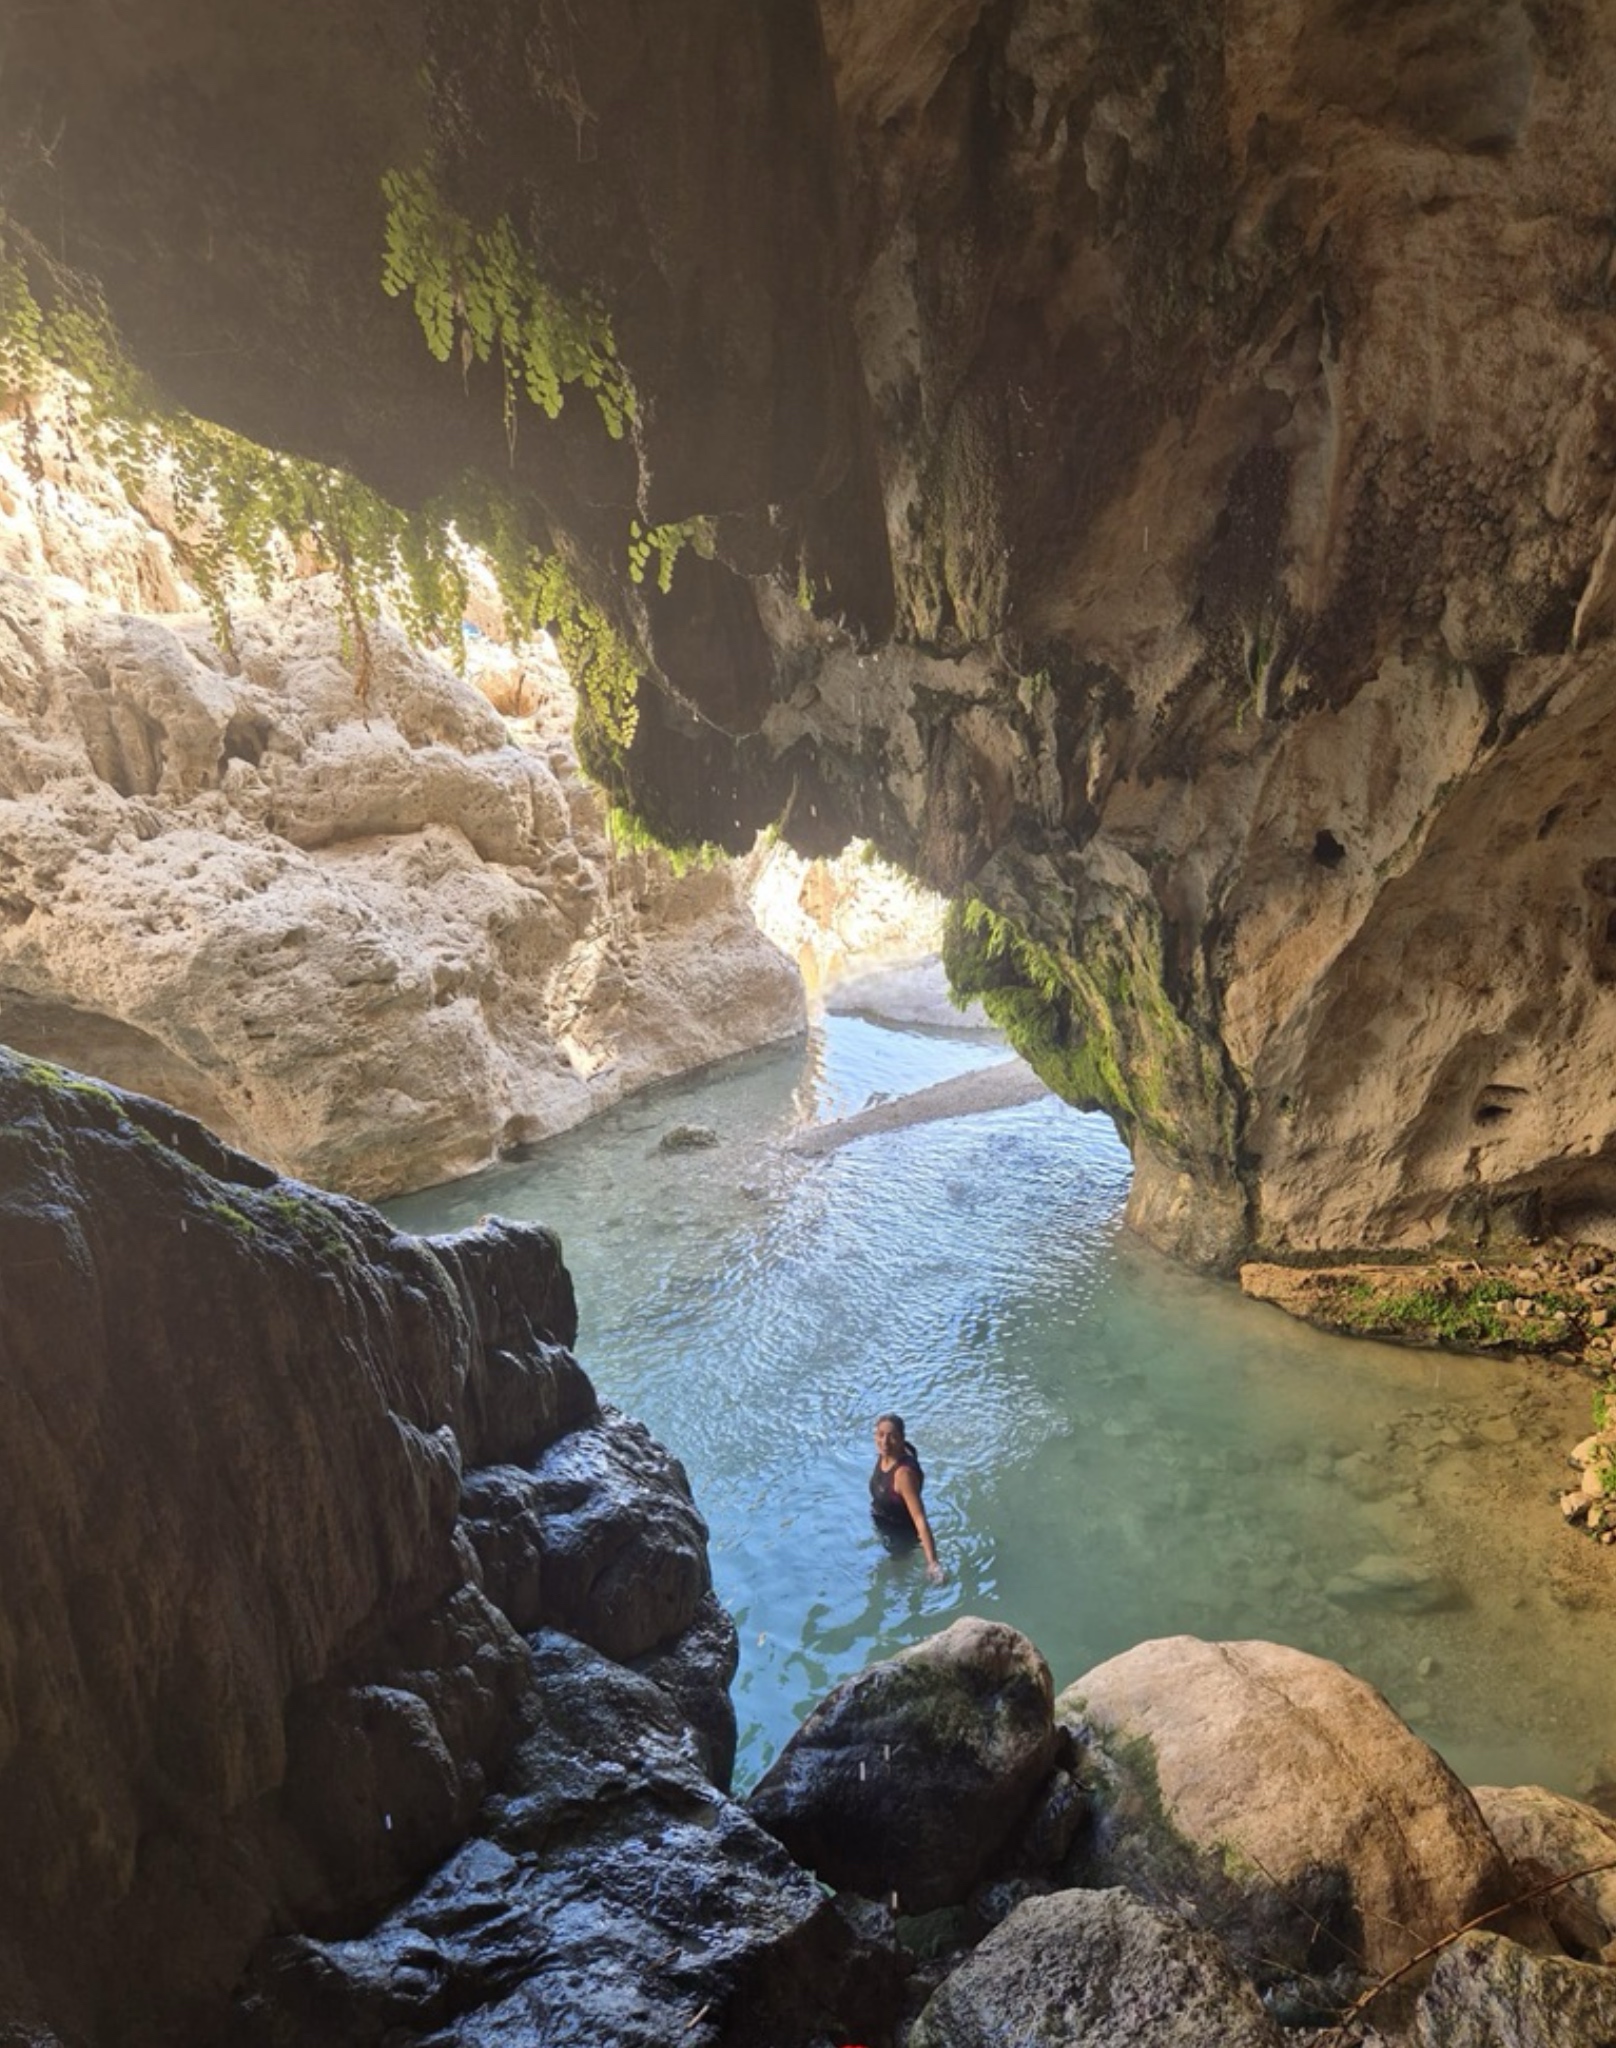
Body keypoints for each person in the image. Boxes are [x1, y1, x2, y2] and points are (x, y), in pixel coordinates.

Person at [870, 1413, 944, 1582]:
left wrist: (933, 1563)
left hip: (901, 1534)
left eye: (892, 1437)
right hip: (882, 1520)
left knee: (897, 1579)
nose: (885, 1442)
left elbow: (919, 1518)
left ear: (902, 1439)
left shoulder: (904, 1475)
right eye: (881, 1435)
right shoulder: (884, 1453)